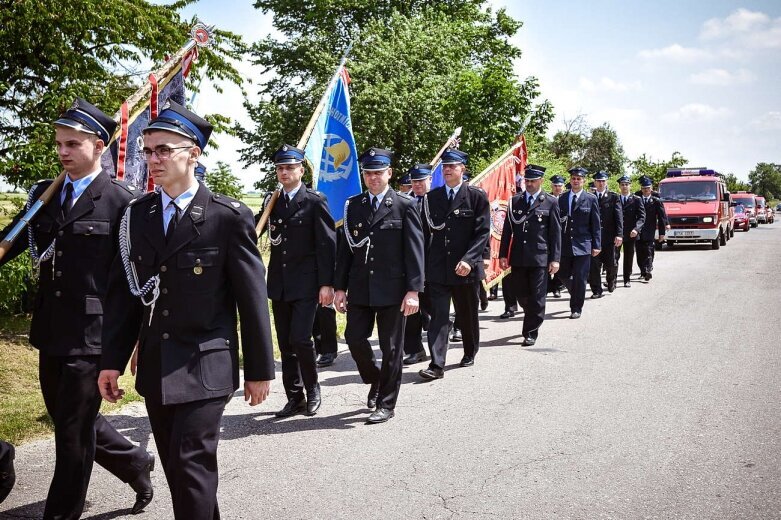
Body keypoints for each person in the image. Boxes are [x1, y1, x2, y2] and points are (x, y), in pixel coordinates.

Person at [98, 101, 275, 519]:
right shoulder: (137, 215)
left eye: (164, 150)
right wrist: (111, 360)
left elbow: (252, 300)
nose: (153, 160)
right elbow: (127, 296)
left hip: (205, 364)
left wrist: (260, 369)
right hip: (158, 365)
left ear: (193, 153)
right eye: (148, 150)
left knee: (192, 465)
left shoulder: (227, 217)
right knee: (180, 470)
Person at [0, 98, 155, 518]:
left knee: (71, 436)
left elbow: (135, 281)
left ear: (99, 146)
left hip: (94, 335)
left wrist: (136, 339)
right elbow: (13, 242)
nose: (63, 152)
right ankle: (133, 461)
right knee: (70, 420)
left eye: (73, 144)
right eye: (59, 144)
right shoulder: (44, 195)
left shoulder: (124, 201)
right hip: (51, 329)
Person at [334, 148, 425, 423]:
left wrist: (413, 290)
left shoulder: (404, 205)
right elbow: (346, 251)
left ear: (389, 173)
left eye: (378, 172)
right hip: (360, 287)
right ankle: (376, 379)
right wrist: (339, 288)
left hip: (394, 290)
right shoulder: (354, 205)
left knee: (392, 348)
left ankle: (386, 404)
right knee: (354, 339)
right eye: (368, 173)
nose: (373, 178)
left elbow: (415, 250)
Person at [257, 144, 336, 417]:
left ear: (301, 170)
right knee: (286, 343)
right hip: (280, 282)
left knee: (301, 338)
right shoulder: (273, 200)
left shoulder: (315, 201)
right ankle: (294, 397)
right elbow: (255, 230)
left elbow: (327, 245)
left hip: (306, 282)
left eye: (290, 167)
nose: (284, 172)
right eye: (280, 168)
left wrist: (327, 284)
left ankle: (313, 389)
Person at [418, 149, 490, 379]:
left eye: (452, 166)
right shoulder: (432, 197)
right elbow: (424, 232)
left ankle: (470, 350)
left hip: (465, 268)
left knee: (466, 314)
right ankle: (436, 364)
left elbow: (482, 233)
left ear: (463, 169)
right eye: (445, 167)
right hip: (438, 266)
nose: (447, 170)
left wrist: (469, 260)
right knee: (438, 316)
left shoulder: (476, 196)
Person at [498, 164, 561, 346]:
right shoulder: (515, 201)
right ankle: (531, 313)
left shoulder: (550, 202)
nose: (529, 184)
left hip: (540, 257)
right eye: (527, 180)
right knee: (521, 294)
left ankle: (531, 331)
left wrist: (555, 259)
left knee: (537, 296)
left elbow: (555, 234)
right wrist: (503, 254)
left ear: (541, 181)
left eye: (533, 181)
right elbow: (507, 231)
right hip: (518, 257)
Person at [557, 166, 601, 319]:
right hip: (565, 245)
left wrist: (597, 244)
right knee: (562, 274)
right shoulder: (562, 198)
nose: (576, 181)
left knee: (580, 278)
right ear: (570, 180)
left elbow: (595, 224)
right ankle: (575, 291)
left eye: (579, 179)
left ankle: (576, 308)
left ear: (584, 181)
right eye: (573, 178)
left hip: (583, 245)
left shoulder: (591, 199)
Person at [403, 163, 433, 365]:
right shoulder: (405, 202)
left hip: (432, 264)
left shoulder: (438, 201)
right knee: (409, 309)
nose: (418, 185)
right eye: (414, 181)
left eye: (421, 180)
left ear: (430, 179)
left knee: (433, 306)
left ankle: (442, 327)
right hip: (409, 264)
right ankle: (414, 349)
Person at [589, 171, 623, 297]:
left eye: (603, 181)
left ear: (606, 182)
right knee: (594, 266)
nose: (601, 183)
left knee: (611, 263)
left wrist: (619, 234)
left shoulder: (613, 197)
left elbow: (618, 217)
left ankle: (610, 281)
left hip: (609, 237)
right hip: (594, 237)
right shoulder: (590, 197)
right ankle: (596, 290)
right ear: (595, 182)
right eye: (598, 181)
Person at [637, 176, 669, 281]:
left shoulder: (656, 201)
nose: (646, 190)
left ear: (651, 189)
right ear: (641, 189)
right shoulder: (636, 199)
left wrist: (662, 233)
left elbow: (662, 217)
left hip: (650, 230)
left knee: (649, 250)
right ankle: (642, 270)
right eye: (643, 188)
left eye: (647, 188)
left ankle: (648, 270)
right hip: (638, 230)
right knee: (639, 251)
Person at [616, 175, 645, 287]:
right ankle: (612, 280)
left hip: (630, 233)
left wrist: (636, 229)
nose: (624, 187)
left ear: (630, 186)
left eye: (626, 184)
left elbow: (642, 217)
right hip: (617, 233)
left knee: (628, 256)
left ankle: (626, 279)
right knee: (614, 257)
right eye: (622, 185)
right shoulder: (616, 199)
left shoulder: (637, 200)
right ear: (619, 186)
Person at [548, 174, 566, 298]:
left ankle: (557, 287)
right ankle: (548, 286)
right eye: (555, 185)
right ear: (551, 186)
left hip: (563, 235)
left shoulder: (566, 199)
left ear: (563, 187)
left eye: (559, 186)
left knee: (559, 261)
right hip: (548, 235)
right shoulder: (546, 198)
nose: (557, 188)